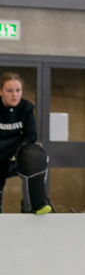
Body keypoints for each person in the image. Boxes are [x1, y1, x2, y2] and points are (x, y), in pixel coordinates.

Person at [0, 72, 51, 214]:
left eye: (18, 90)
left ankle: (38, 204)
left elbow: (30, 135)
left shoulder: (26, 107)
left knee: (34, 153)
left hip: (17, 151)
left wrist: (17, 148)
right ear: (1, 91)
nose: (14, 95)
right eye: (9, 91)